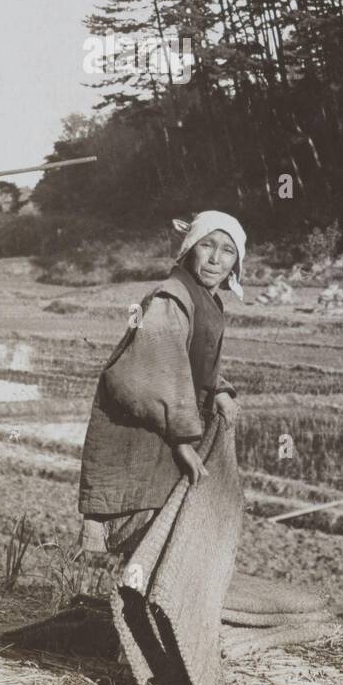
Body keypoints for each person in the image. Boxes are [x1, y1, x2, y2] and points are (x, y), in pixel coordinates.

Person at [77, 210, 246, 563]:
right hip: (149, 434)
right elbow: (155, 367)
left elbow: (192, 359)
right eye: (207, 245)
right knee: (143, 538)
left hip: (169, 429)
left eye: (228, 251)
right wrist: (182, 441)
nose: (215, 259)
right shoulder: (170, 297)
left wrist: (218, 389)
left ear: (237, 263)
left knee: (156, 540)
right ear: (189, 248)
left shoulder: (204, 298)